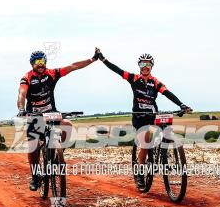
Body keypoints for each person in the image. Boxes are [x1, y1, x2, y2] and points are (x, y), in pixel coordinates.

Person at [93, 49, 192, 170]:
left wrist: (181, 105)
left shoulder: (155, 82)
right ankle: (140, 170)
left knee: (166, 128)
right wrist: (103, 59)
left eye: (148, 64)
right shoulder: (133, 78)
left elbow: (167, 93)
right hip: (139, 117)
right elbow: (117, 70)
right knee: (146, 141)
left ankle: (165, 155)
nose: (145, 67)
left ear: (152, 66)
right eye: (142, 64)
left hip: (152, 115)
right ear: (139, 65)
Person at [17, 49, 96, 190]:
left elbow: (73, 66)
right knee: (33, 144)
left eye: (42, 61)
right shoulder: (27, 77)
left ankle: (57, 157)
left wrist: (92, 59)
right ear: (32, 64)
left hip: (51, 114)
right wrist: (21, 109)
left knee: (68, 125)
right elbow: (22, 94)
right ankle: (35, 176)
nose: (40, 64)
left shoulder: (52, 74)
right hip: (35, 116)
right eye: (37, 62)